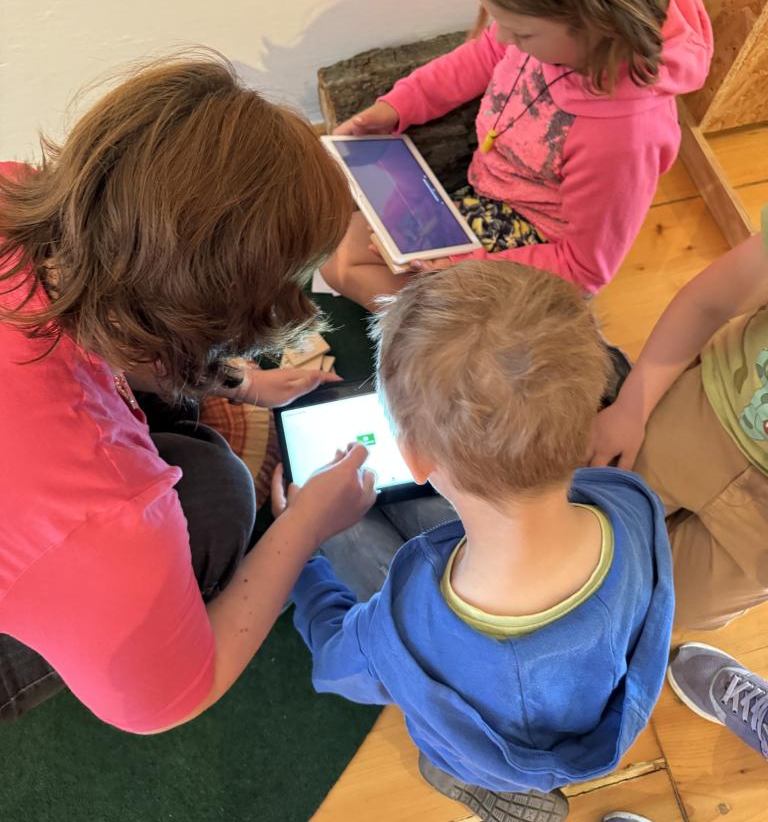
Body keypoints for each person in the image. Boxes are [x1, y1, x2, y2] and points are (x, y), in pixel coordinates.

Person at [0, 52, 377, 731]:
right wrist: (306, 524)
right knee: (219, 503)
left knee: (206, 470)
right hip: (48, 534)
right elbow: (170, 700)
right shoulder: (103, 521)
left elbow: (135, 330)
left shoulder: (16, 190)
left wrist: (240, 381)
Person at [274, 261, 674, 822]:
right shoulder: (630, 499)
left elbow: (336, 658)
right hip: (585, 710)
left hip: (474, 743)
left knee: (349, 531)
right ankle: (501, 773)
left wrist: (299, 547)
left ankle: (474, 776)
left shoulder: (400, 630)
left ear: (413, 458)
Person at [321, 0, 713, 311]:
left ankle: (452, 341)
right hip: (486, 201)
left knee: (348, 264)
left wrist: (462, 266)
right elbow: (481, 55)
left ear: (599, 19)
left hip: (530, 253)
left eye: (522, 32)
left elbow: (584, 270)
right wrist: (397, 106)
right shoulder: (561, 36)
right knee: (342, 248)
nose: (502, 37)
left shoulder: (625, 135)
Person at [588, 212, 768, 631]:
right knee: (584, 514)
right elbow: (710, 301)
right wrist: (632, 407)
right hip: (705, 406)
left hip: (757, 530)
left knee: (672, 608)